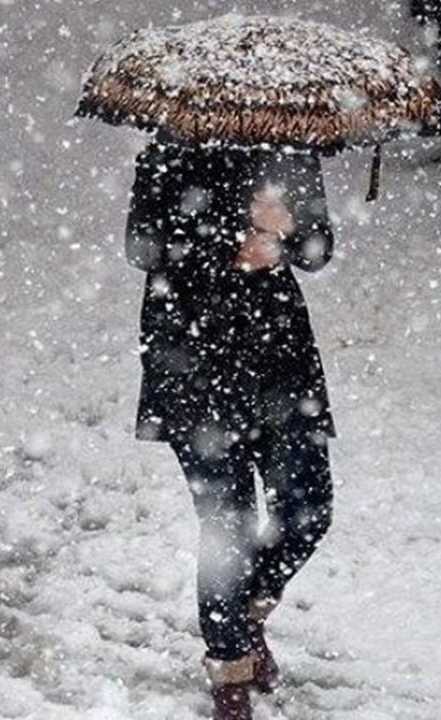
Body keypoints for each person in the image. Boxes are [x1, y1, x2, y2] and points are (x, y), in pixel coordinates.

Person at [124, 136, 336, 720]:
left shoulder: (291, 151)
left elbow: (319, 250)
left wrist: (286, 233)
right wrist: (234, 238)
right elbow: (143, 247)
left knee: (308, 509)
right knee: (229, 528)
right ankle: (229, 673)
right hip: (193, 364)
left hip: (280, 365)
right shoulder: (168, 153)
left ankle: (243, 615)